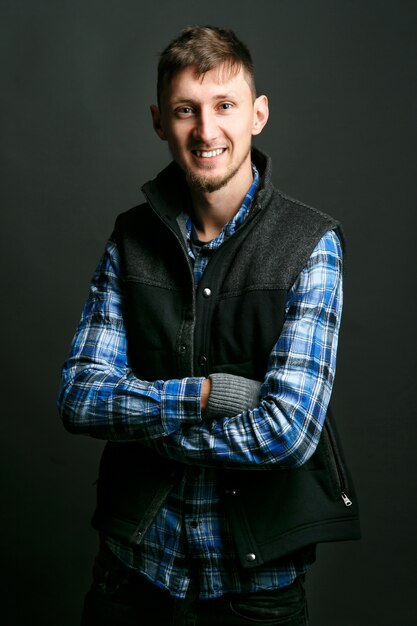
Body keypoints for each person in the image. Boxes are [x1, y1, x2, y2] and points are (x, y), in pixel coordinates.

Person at [57, 25, 360, 626]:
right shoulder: (130, 240)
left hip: (256, 583)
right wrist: (205, 395)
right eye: (185, 110)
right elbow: (80, 395)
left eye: (225, 106)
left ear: (258, 114)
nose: (206, 130)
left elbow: (289, 431)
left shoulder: (311, 243)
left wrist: (150, 435)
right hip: (134, 571)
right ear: (158, 121)